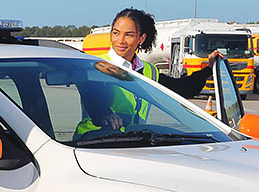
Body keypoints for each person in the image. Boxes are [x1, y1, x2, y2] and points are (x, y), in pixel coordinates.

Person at [93, 8, 222, 131]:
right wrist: (105, 115)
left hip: (130, 139)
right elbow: (92, 96)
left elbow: (182, 88)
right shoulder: (96, 64)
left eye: (129, 35)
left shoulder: (149, 71)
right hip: (93, 140)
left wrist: (208, 69)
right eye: (116, 33)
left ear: (141, 38)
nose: (120, 41)